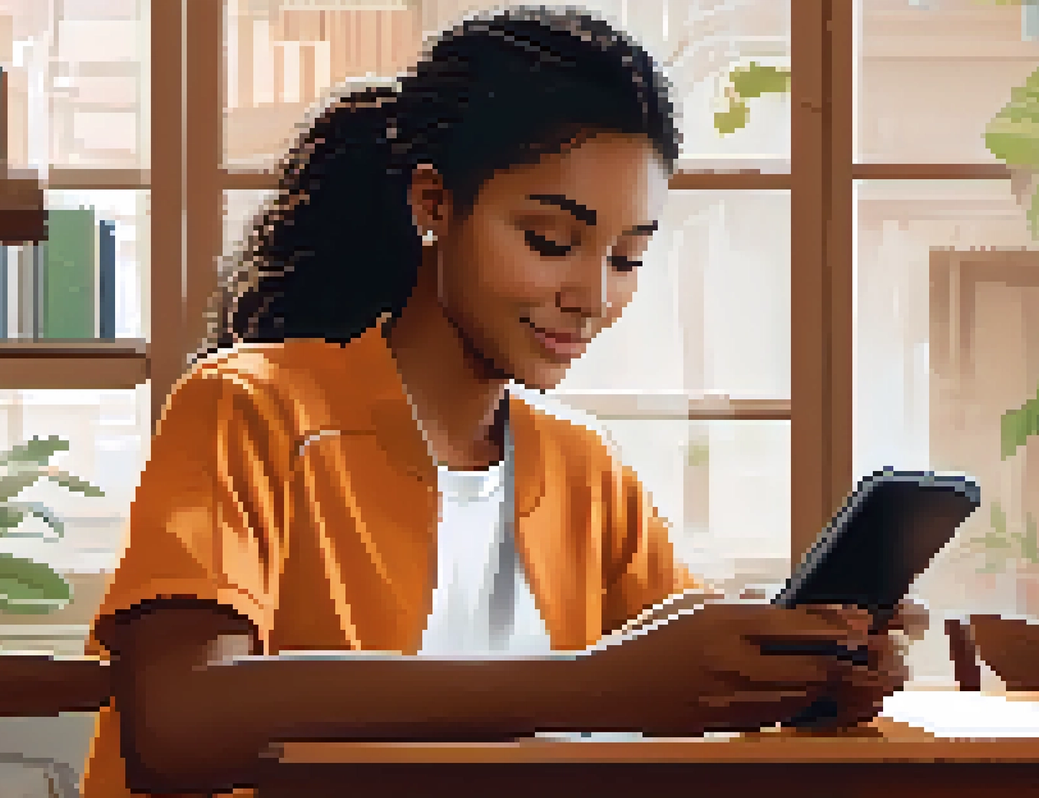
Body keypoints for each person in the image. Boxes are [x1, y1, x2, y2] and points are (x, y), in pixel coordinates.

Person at [80, 7, 918, 797]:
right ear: (433, 204)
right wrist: (595, 686)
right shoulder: (254, 408)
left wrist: (806, 675)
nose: (592, 296)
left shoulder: (583, 469)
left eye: (626, 258)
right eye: (550, 241)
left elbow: (684, 686)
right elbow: (177, 723)